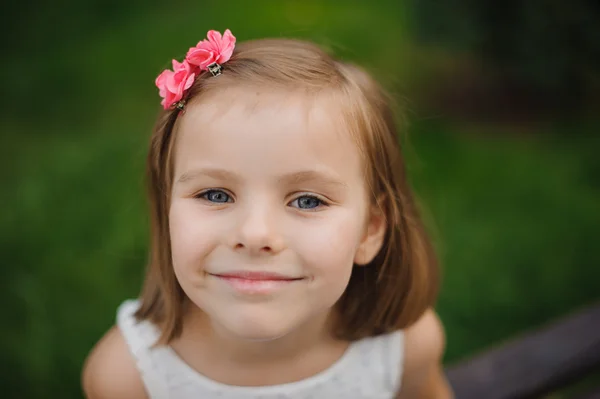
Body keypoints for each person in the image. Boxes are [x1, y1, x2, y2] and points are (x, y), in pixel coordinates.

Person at [82, 29, 453, 398]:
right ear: (167, 210)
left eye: (307, 200)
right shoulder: (128, 378)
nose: (255, 234)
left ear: (369, 230)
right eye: (215, 194)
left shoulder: (405, 347)